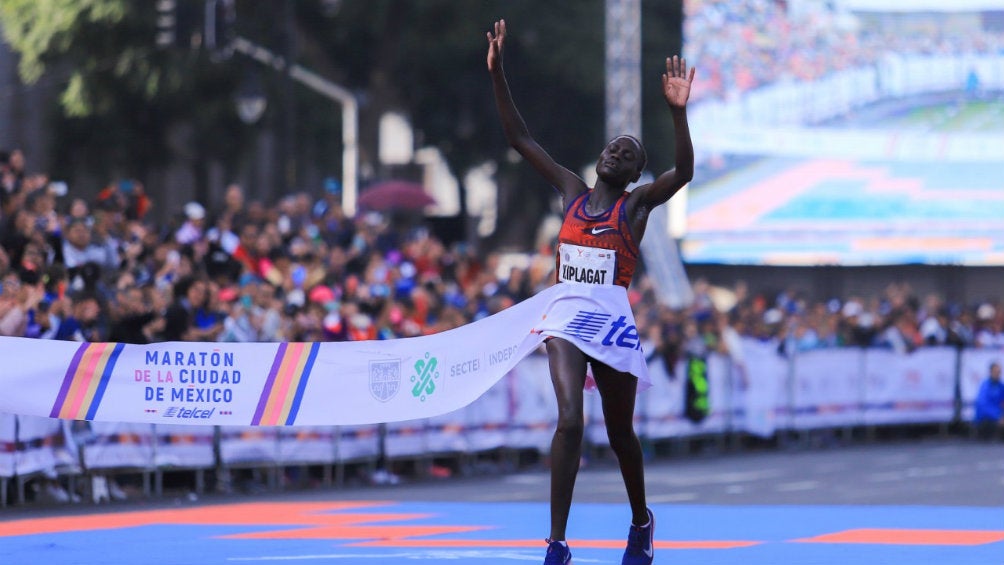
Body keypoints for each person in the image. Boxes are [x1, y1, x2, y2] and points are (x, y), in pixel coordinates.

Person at [487, 19, 695, 565]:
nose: (616, 154)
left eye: (627, 154)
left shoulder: (636, 207)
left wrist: (677, 113)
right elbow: (519, 139)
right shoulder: (571, 192)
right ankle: (557, 543)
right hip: (564, 315)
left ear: (634, 174)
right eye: (612, 148)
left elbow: (686, 171)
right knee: (570, 421)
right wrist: (497, 72)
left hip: (610, 323)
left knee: (621, 432)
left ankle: (641, 521)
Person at [974, 361, 1004, 441]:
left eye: (999, 372)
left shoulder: (1001, 386)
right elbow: (983, 405)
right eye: (996, 372)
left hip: (998, 417)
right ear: (990, 372)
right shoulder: (985, 386)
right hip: (985, 419)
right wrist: (998, 416)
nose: (998, 374)